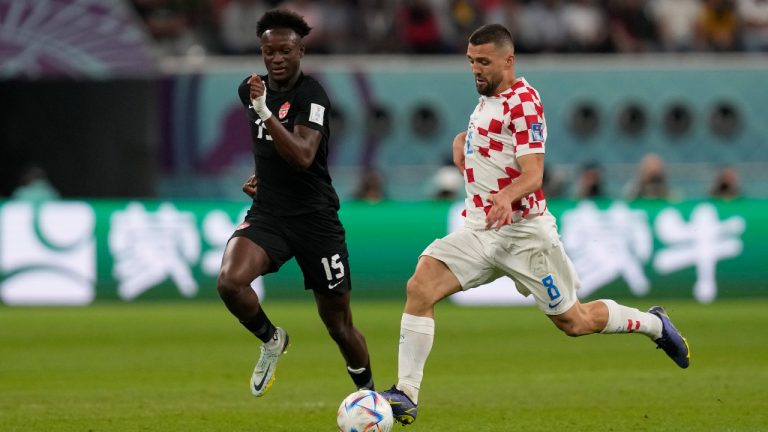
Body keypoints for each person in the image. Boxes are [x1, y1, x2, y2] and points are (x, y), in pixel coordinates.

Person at [380, 24, 690, 426]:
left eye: (484, 62)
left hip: (525, 234)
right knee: (420, 286)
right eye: (471, 61)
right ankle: (406, 394)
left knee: (575, 322)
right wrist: (462, 142)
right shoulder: (488, 99)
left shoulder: (524, 102)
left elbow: (533, 173)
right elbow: (495, 142)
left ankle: (653, 324)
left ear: (508, 60)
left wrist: (506, 197)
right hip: (479, 230)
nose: (475, 69)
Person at [216, 9, 374, 398]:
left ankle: (370, 396)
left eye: (285, 51)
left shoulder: (312, 95)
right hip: (269, 214)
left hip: (316, 221)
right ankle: (272, 339)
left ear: (300, 51)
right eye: (269, 51)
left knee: (338, 326)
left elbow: (303, 156)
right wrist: (263, 177)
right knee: (230, 282)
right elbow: (267, 149)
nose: (276, 59)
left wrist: (265, 112)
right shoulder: (250, 90)